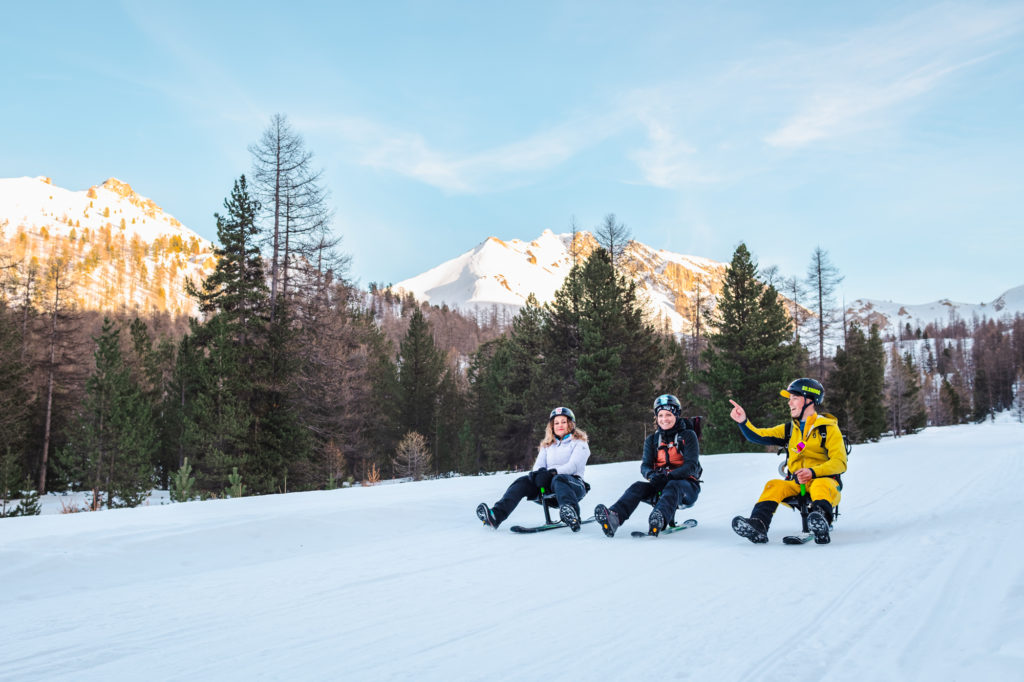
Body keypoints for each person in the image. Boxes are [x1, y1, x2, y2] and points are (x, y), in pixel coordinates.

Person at [729, 378, 848, 544]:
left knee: (821, 485)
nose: (789, 403)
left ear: (809, 400)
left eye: (795, 398)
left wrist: (813, 472)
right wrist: (743, 421)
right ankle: (758, 525)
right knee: (774, 485)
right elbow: (758, 436)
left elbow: (840, 463)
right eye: (789, 399)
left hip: (825, 481)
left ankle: (820, 522)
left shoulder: (828, 429)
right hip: (796, 482)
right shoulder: (790, 429)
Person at [593, 394, 701, 537]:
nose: (664, 419)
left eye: (668, 414)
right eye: (660, 415)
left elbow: (691, 465)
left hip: (686, 488)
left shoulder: (688, 435)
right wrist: (652, 475)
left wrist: (669, 476)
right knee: (637, 486)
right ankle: (614, 517)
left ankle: (658, 518)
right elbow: (645, 465)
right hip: (660, 485)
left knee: (673, 486)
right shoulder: (652, 440)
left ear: (677, 415)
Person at [476, 407, 591, 531]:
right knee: (522, 482)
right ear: (551, 426)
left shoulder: (580, 443)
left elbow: (573, 466)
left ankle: (571, 514)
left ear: (570, 424)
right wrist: (538, 475)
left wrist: (552, 473)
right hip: (549, 488)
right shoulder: (547, 445)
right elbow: (538, 465)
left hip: (573, 486)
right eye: (556, 423)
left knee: (559, 479)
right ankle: (496, 515)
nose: (560, 425)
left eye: (563, 422)